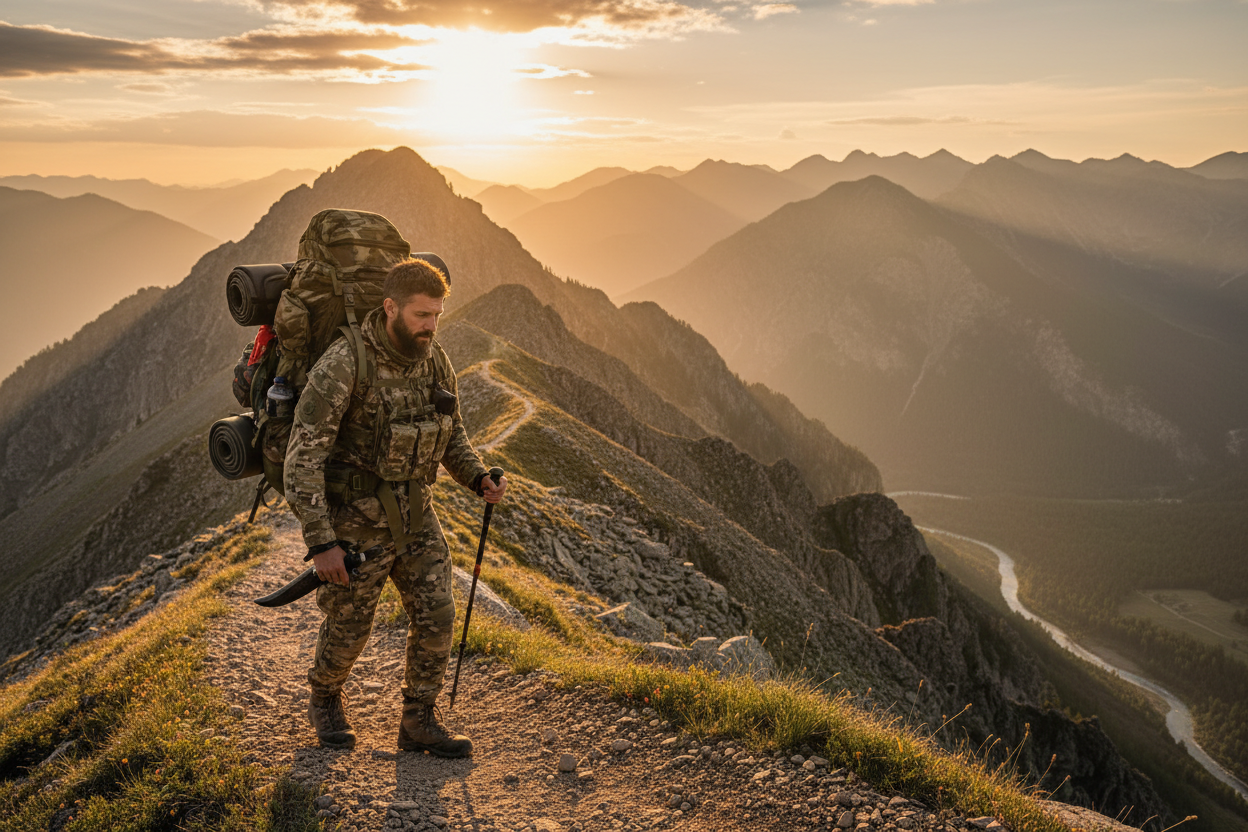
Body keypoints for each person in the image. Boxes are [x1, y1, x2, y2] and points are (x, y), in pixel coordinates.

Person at [284, 257, 506, 756]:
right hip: (354, 524)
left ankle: (419, 719)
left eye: (437, 316)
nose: (431, 326)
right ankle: (324, 697)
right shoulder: (344, 364)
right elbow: (303, 459)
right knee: (349, 625)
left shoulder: (435, 359)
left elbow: (452, 435)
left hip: (416, 514)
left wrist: (478, 477)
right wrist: (322, 543)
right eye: (421, 315)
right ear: (390, 308)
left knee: (437, 612)